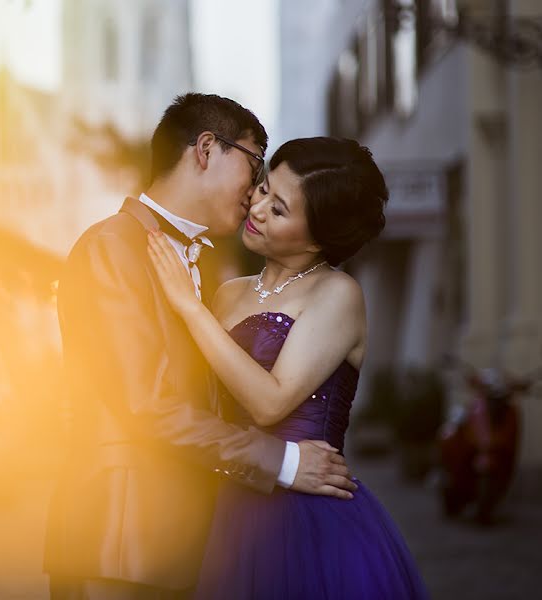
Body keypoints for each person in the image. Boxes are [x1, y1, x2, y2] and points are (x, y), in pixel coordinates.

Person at [44, 94, 357, 600]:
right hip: (118, 544)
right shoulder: (111, 247)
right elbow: (147, 403)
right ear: (206, 149)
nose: (256, 189)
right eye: (255, 163)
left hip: (179, 546)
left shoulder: (199, 266)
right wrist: (283, 461)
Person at [147, 136, 429, 599]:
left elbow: (269, 402)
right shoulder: (229, 292)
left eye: (279, 210)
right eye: (262, 189)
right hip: (225, 507)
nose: (256, 209)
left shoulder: (337, 294)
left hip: (306, 518)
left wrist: (189, 309)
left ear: (318, 237)